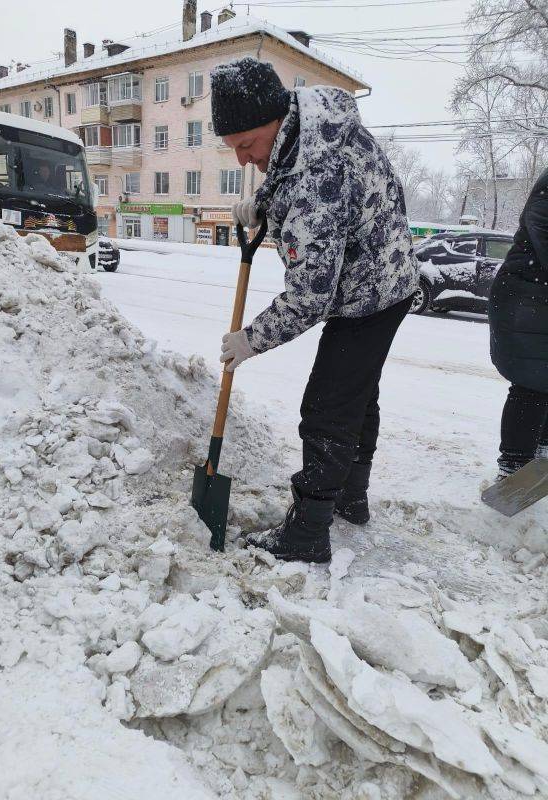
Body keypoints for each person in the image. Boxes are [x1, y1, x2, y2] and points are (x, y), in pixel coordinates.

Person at [210, 57, 419, 563]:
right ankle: (352, 498)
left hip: (368, 295)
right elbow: (287, 167)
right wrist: (264, 202)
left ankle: (307, 533)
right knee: (355, 395)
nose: (242, 159)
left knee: (328, 406)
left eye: (246, 146)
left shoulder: (317, 181)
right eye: (233, 148)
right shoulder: (312, 126)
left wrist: (251, 340)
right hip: (384, 276)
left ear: (275, 120)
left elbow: (310, 296)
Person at [488, 166, 548, 478]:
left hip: (536, 294)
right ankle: (513, 471)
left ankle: (538, 462)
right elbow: (544, 228)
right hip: (528, 296)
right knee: (533, 383)